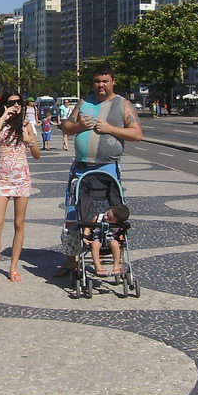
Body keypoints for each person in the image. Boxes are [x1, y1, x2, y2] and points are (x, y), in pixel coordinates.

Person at [55, 63, 143, 277]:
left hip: (108, 169)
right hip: (81, 169)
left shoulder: (123, 104)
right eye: (97, 81)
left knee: (112, 216)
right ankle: (70, 261)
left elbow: (137, 133)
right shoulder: (84, 102)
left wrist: (110, 129)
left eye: (105, 81)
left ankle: (114, 259)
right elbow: (65, 126)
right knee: (73, 214)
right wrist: (79, 127)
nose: (100, 85)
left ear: (113, 81)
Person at [0, 91, 41, 284]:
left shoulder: (26, 126)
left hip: (22, 178)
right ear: (5, 105)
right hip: (3, 179)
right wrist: (3, 118)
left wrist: (29, 139)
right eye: (12, 102)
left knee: (19, 224)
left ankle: (13, 267)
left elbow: (37, 154)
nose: (16, 105)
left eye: (19, 102)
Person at [84, 203, 130, 276]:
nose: (106, 217)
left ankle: (116, 266)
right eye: (107, 214)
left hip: (110, 239)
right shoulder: (98, 217)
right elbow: (88, 227)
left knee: (115, 243)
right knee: (95, 244)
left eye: (110, 219)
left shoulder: (119, 224)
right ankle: (98, 265)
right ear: (110, 208)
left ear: (117, 222)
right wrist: (84, 237)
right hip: (97, 238)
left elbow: (121, 232)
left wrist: (121, 237)